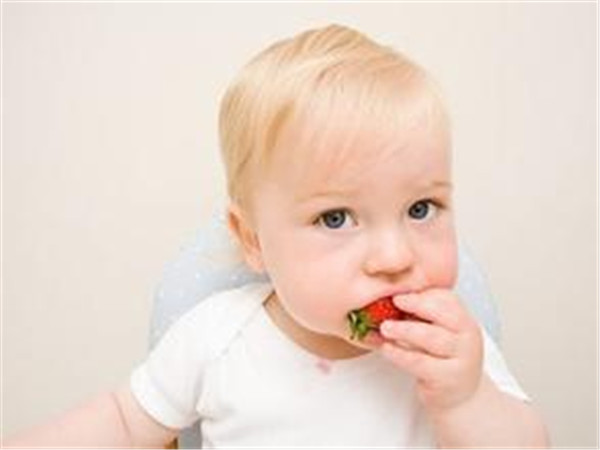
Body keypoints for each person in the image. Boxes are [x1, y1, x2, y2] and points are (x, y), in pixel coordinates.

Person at [4, 24, 549, 447]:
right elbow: (123, 424)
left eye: (421, 208)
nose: (394, 256)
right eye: (335, 218)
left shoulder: (454, 352)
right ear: (253, 240)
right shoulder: (217, 338)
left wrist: (465, 400)